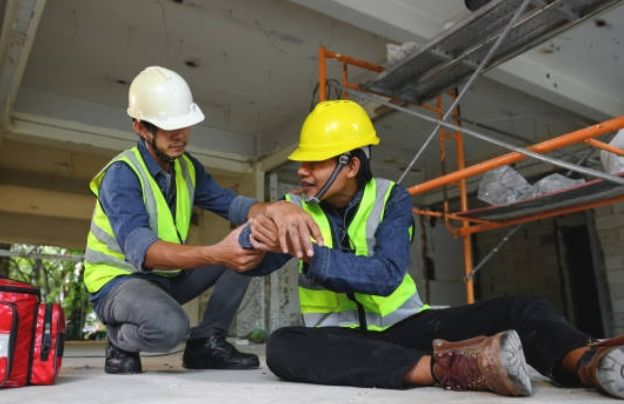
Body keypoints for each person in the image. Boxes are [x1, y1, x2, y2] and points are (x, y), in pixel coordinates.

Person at [237, 99, 624, 399]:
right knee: (283, 346)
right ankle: (448, 368)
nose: (301, 170)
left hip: (407, 327)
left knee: (521, 308)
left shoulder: (392, 198)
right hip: (343, 339)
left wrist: (312, 255)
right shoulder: (296, 209)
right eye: (301, 162)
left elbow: (387, 275)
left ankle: (587, 362)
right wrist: (267, 216)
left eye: (314, 162)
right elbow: (257, 263)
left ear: (351, 165)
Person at [83, 66, 321, 374]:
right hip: (118, 284)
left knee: (251, 241)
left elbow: (232, 204)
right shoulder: (121, 176)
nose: (181, 136)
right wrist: (218, 253)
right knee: (170, 328)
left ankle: (206, 343)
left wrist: (278, 209)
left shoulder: (186, 168)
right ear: (141, 128)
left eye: (186, 125)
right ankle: (120, 339)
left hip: (166, 280)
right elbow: (145, 253)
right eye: (170, 128)